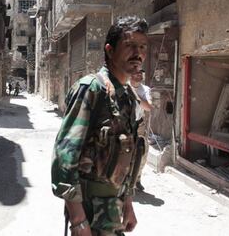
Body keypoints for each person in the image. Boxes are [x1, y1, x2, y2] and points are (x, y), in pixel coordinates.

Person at [51, 16, 149, 236]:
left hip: (113, 211)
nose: (138, 53)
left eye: (142, 47)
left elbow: (128, 155)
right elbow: (64, 155)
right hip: (90, 212)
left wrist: (129, 203)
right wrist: (78, 220)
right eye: (130, 45)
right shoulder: (92, 89)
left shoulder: (128, 95)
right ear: (110, 50)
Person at [129, 69, 153, 191]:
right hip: (124, 124)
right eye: (136, 73)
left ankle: (137, 179)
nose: (139, 75)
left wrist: (134, 94)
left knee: (142, 153)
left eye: (140, 73)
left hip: (139, 125)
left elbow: (148, 107)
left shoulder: (145, 90)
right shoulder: (123, 87)